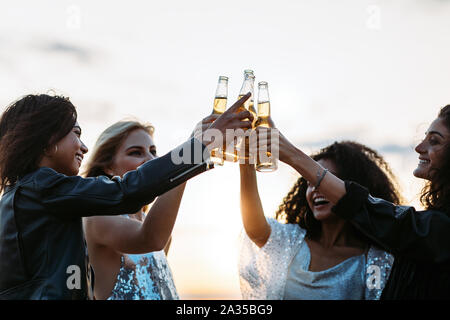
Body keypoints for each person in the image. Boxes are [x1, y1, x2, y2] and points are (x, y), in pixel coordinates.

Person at [0, 92, 252, 299]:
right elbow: (127, 192)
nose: (84, 147)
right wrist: (200, 145)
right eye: (75, 133)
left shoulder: (24, 195)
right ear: (47, 139)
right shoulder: (43, 187)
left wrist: (193, 146)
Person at [252, 106, 450, 299]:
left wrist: (292, 154)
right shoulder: (294, 241)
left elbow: (368, 208)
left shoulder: (438, 230)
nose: (419, 147)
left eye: (434, 140)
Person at [239, 141, 402, 299]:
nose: (315, 189)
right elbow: (255, 228)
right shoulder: (292, 240)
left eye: (324, 181)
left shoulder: (374, 261)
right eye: (309, 183)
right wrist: (246, 162)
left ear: (354, 189)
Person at [82, 119, 212, 300]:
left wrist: (193, 144)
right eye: (136, 152)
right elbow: (151, 238)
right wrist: (190, 155)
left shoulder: (152, 224)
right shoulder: (97, 217)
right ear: (108, 166)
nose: (151, 160)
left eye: (153, 152)